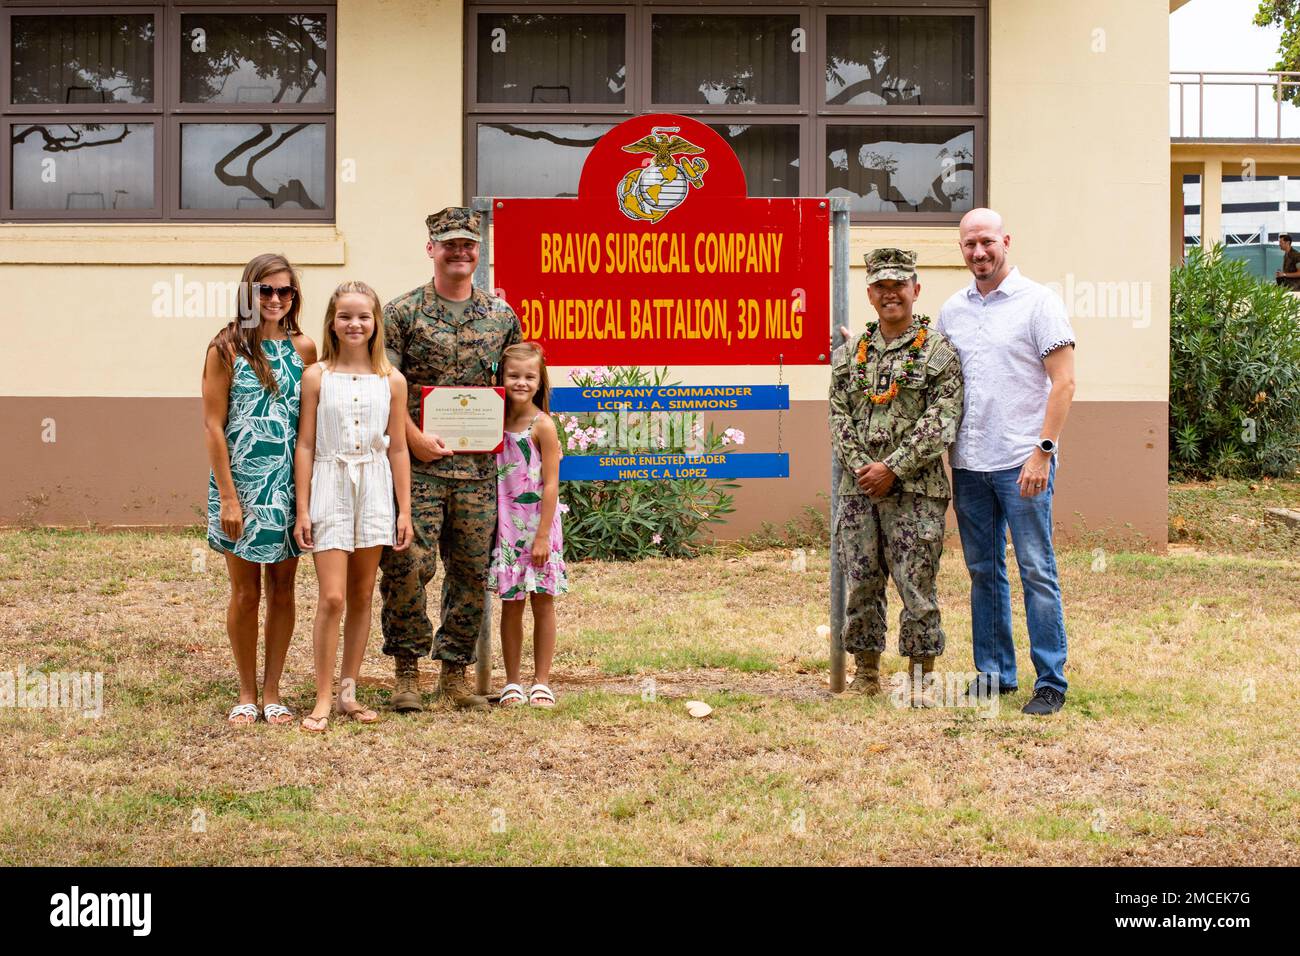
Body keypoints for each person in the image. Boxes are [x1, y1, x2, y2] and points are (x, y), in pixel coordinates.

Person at [379, 207, 522, 712]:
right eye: (450, 244)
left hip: (477, 471)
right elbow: (384, 388)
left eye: (468, 244)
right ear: (432, 249)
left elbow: (515, 386)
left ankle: (455, 675)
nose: (460, 252)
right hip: (417, 466)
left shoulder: (501, 317)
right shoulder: (402, 313)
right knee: (406, 564)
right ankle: (406, 672)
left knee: (470, 570)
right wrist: (413, 437)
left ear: (477, 252)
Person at [938, 208, 1076, 716]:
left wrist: (1043, 452)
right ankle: (995, 673)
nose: (979, 252)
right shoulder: (952, 310)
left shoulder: (1039, 302)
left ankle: (1050, 681)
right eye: (970, 244)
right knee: (983, 570)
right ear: (961, 249)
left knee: (1036, 569)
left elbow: (1064, 382)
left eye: (987, 242)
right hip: (969, 463)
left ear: (1006, 242)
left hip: (1023, 463)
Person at [829, 248, 964, 706]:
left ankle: (920, 680)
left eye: (899, 285)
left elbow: (943, 419)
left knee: (916, 585)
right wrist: (863, 469)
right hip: (858, 492)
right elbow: (838, 418)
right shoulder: (850, 356)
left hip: (916, 492)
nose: (891, 294)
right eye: (881, 287)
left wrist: (893, 468)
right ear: (869, 294)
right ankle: (866, 676)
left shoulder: (938, 353)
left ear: (915, 290)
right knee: (862, 582)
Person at [293, 282, 414, 732]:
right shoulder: (317, 376)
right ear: (332, 322)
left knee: (362, 595)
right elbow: (306, 444)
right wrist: (303, 508)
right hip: (330, 482)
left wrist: (404, 510)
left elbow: (398, 447)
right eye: (345, 316)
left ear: (375, 322)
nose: (354, 324)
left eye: (363, 316)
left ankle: (348, 692)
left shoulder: (391, 380)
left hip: (375, 487)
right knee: (333, 597)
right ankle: (322, 696)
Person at [202, 254, 316, 725]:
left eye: (284, 290)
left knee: (283, 590)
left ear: (294, 296)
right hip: (244, 488)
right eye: (265, 290)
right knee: (246, 592)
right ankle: (247, 692)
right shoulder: (226, 347)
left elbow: (308, 426)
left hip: (288, 487)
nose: (274, 299)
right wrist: (229, 497)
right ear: (248, 293)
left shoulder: (304, 348)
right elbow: (213, 425)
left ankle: (273, 692)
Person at [488, 343, 568, 708]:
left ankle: (542, 682)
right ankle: (512, 682)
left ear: (540, 381)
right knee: (511, 604)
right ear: (501, 377)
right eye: (513, 375)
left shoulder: (543, 426)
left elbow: (550, 484)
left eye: (529, 377)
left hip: (538, 527)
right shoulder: (494, 421)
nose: (521, 383)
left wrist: (542, 536)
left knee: (543, 602)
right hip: (507, 528)